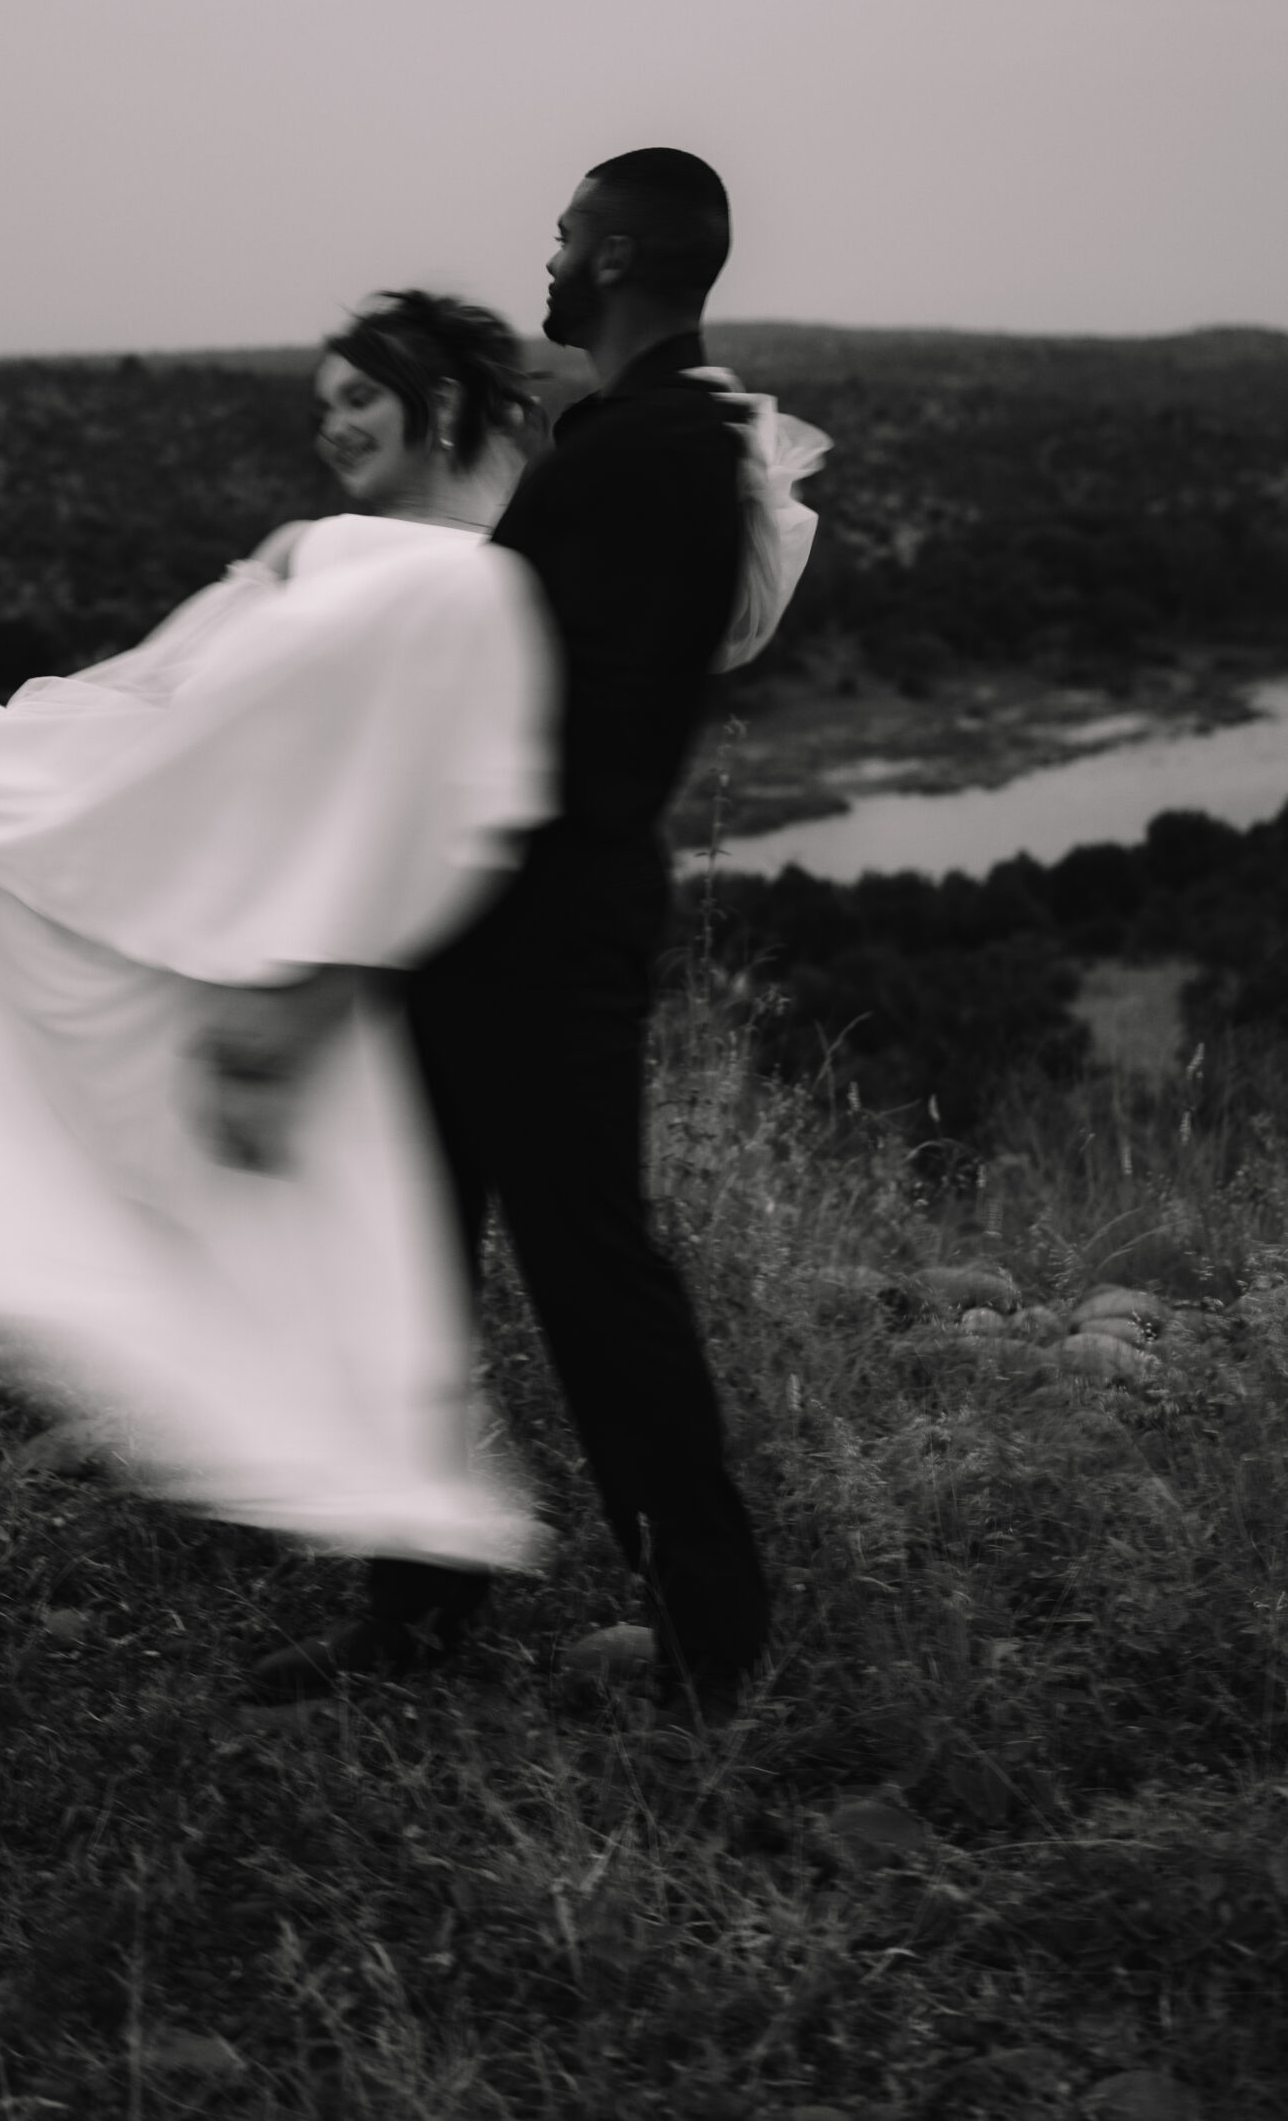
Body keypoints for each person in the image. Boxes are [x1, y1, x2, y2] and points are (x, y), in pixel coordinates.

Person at [0, 292, 559, 1571]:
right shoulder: (323, 552)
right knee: (332, 1229)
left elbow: (448, 805)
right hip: (251, 912)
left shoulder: (478, 580)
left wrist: (307, 978)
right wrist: (1, 759)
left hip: (362, 957)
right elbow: (168, 696)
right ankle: (396, 1564)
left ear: (439, 406)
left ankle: (488, 1561)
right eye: (322, 406)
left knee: (388, 1247)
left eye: (361, 399)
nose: (334, 427)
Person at [246, 149, 829, 1720]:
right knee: (412, 1255)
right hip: (497, 918)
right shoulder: (655, 436)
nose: (550, 261)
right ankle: (416, 1616)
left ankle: (710, 1638)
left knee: (588, 1272)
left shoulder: (649, 449)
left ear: (625, 253)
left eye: (568, 236)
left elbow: (557, 715)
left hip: (542, 927)